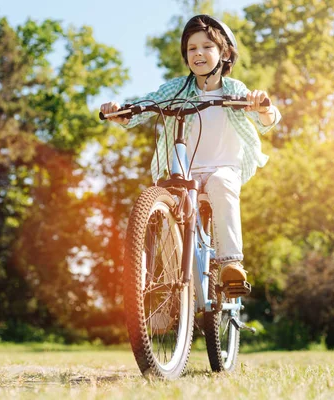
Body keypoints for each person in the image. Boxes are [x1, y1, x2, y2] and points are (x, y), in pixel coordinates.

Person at [100, 14, 281, 297]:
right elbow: (145, 105)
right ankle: (165, 287)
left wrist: (262, 108)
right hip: (185, 172)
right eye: (192, 48)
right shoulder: (177, 89)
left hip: (225, 168)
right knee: (169, 210)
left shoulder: (235, 90)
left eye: (207, 46)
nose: (198, 53)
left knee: (221, 185)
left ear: (224, 53)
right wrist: (120, 113)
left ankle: (231, 263)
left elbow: (267, 120)